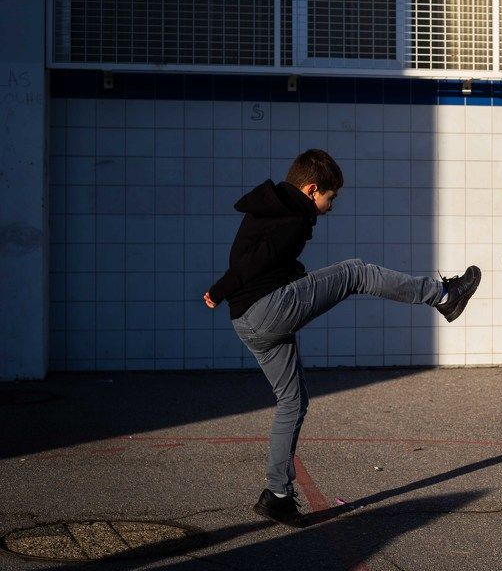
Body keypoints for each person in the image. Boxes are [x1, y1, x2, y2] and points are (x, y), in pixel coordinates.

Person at [204, 148, 481, 527]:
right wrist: (220, 289)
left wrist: (233, 289)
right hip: (266, 309)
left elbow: (260, 257)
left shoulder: (269, 207)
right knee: (356, 272)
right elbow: (255, 260)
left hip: (248, 322)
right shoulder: (295, 216)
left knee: (292, 400)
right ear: (311, 188)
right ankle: (444, 296)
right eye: (329, 198)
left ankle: (278, 496)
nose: (331, 206)